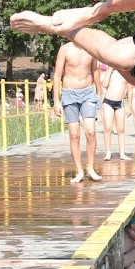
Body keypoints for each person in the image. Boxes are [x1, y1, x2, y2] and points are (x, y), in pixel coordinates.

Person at [53, 41, 102, 183]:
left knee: (90, 131)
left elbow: (95, 71)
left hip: (88, 92)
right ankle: (79, 171)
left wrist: (99, 92)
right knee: (74, 134)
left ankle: (91, 168)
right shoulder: (65, 49)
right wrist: (56, 101)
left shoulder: (91, 47)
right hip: (69, 93)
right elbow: (57, 75)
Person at [100, 66, 131, 161]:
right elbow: (104, 85)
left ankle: (122, 152)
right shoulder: (112, 72)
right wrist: (109, 70)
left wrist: (129, 105)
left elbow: (130, 90)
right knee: (108, 127)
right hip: (108, 101)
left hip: (120, 102)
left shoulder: (126, 72)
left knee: (121, 129)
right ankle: (108, 152)